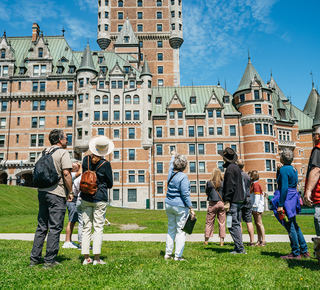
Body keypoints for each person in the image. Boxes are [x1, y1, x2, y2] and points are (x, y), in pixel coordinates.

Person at [30, 129, 73, 269]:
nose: (67, 140)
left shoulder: (43, 152)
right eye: (66, 138)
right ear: (60, 139)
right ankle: (49, 261)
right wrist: (71, 191)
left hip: (42, 193)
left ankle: (34, 259)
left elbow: (34, 171)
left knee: (41, 226)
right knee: (55, 227)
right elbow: (66, 173)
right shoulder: (63, 152)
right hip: (56, 192)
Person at [272, 148, 310, 259]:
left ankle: (296, 252)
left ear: (282, 158)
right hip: (294, 197)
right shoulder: (294, 169)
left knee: (290, 226)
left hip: (287, 198)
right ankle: (304, 250)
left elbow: (283, 187)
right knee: (294, 224)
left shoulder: (284, 170)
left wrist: (280, 204)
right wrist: (278, 171)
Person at [81, 136, 113, 266]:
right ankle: (96, 259)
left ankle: (86, 258)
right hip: (100, 197)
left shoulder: (85, 160)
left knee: (86, 227)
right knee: (98, 228)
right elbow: (110, 183)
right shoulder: (105, 164)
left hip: (85, 196)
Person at [164, 150, 195, 261]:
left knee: (171, 228)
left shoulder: (170, 173)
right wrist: (191, 208)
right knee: (181, 231)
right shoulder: (183, 177)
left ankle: (168, 254)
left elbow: (170, 165)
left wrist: (172, 156)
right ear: (185, 165)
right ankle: (178, 256)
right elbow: (185, 194)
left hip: (168, 204)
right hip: (180, 206)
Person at [220, 147, 246, 254]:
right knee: (236, 223)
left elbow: (230, 186)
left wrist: (227, 201)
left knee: (232, 224)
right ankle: (238, 247)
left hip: (233, 201)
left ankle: (240, 249)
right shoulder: (235, 167)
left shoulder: (230, 169)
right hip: (238, 200)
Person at [62, 162, 82, 249]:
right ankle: (67, 241)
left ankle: (69, 241)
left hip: (73, 199)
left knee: (73, 220)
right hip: (72, 200)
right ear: (73, 169)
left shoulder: (72, 175)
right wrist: (81, 165)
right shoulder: (72, 174)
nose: (78, 169)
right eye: (76, 168)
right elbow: (80, 173)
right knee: (71, 220)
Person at [304, 127, 320, 236]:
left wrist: (308, 191)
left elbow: (316, 170)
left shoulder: (318, 149)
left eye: (314, 134)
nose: (313, 136)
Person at [204, 168, 225, 246]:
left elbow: (207, 192)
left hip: (212, 203)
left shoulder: (209, 183)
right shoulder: (223, 183)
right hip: (221, 203)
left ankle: (206, 241)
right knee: (222, 223)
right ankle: (221, 242)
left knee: (209, 222)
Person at [236, 159, 254, 246]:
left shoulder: (236, 176)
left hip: (239, 199)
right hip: (247, 198)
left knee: (238, 221)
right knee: (249, 221)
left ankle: (240, 241)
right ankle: (252, 241)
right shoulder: (247, 176)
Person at [249, 170, 266, 247]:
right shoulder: (254, 184)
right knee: (256, 224)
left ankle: (263, 240)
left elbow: (257, 196)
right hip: (255, 207)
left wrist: (254, 206)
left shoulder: (256, 185)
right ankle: (259, 240)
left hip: (257, 207)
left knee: (259, 223)